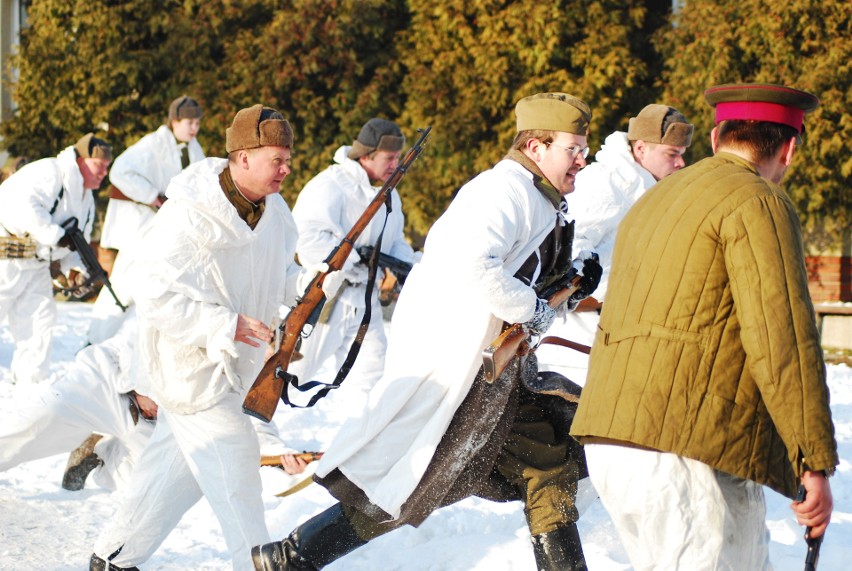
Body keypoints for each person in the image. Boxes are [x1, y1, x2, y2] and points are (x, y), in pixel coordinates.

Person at [252, 92, 603, 571]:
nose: (582, 160)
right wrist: (534, 308)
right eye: (573, 149)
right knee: (417, 478)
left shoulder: (539, 196)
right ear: (537, 147)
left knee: (549, 464)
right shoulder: (504, 191)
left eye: (584, 149)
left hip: (499, 372)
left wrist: (571, 276)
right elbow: (474, 265)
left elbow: (523, 276)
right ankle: (293, 556)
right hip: (460, 370)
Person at [570, 83, 838, 570]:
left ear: (716, 138)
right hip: (683, 448)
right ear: (791, 147)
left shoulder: (656, 200)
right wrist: (812, 460)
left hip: (615, 439)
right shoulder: (757, 200)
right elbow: (783, 342)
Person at [90, 104, 343, 571]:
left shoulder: (277, 210)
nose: (287, 170)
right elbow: (153, 292)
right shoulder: (189, 214)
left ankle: (112, 559)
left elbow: (280, 271)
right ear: (243, 157)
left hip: (236, 370)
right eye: (277, 160)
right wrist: (224, 325)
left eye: (288, 158)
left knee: (173, 474)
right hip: (188, 370)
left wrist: (307, 287)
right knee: (238, 472)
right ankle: (259, 565)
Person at [536, 104, 693, 384]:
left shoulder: (645, 191)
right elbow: (566, 258)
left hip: (617, 333)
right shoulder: (606, 183)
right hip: (575, 338)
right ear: (642, 148)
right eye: (672, 154)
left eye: (682, 155)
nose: (680, 163)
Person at [286, 118, 415, 411]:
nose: (395, 164)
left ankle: (360, 448)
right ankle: (259, 438)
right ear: (366, 155)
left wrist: (405, 265)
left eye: (397, 157)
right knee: (293, 371)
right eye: (389, 158)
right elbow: (305, 237)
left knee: (371, 379)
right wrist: (356, 259)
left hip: (364, 300)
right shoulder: (330, 185)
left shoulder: (389, 194)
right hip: (327, 297)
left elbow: (395, 243)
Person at [0, 308, 156, 492]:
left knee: (147, 478)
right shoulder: (175, 301)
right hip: (108, 380)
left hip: (153, 416)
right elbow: (135, 340)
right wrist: (142, 390)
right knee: (34, 425)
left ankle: (99, 447)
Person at [0, 133, 112, 384]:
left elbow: (75, 242)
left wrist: (74, 272)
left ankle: (30, 389)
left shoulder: (87, 201)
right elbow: (24, 204)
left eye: (107, 167)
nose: (104, 172)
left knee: (40, 324)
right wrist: (55, 234)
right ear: (82, 160)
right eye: (99, 166)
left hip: (36, 264)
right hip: (6, 255)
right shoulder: (50, 171)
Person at [99, 94, 205, 253]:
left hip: (166, 224)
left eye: (197, 123)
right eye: (189, 122)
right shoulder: (154, 143)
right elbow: (120, 171)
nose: (194, 128)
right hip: (137, 221)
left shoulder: (194, 149)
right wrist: (151, 195)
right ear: (175, 122)